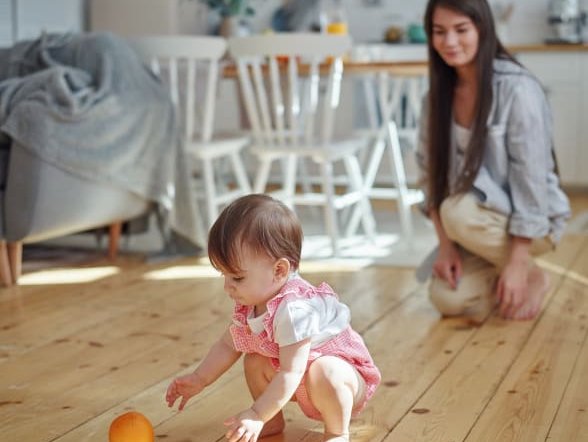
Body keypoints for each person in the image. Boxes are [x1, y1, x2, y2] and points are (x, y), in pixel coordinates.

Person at [165, 194, 381, 442]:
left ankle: (337, 432)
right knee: (254, 359)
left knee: (325, 370)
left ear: (279, 271)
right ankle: (272, 420)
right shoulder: (252, 302)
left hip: (343, 378)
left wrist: (256, 414)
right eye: (223, 275)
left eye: (236, 278)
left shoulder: (295, 310)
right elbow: (228, 344)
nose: (228, 287)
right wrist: (199, 378)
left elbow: (291, 371)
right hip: (300, 377)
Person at [416, 0, 571, 321]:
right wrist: (445, 247)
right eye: (439, 32)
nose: (450, 42)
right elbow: (430, 175)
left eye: (461, 30)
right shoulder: (436, 97)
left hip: (531, 220)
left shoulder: (517, 88)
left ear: (482, 29)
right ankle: (510, 279)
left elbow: (532, 181)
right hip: (474, 224)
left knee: (457, 211)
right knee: (446, 299)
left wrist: (517, 261)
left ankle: (528, 271)